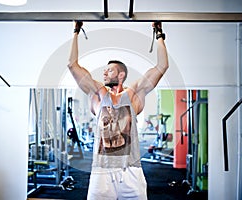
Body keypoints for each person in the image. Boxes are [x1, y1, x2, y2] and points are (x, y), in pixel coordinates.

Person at [68, 21, 169, 200]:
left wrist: (159, 34)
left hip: (131, 171)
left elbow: (162, 66)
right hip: (101, 172)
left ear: (121, 75)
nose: (104, 73)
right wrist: (76, 32)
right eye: (105, 71)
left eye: (109, 71)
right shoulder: (98, 95)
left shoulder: (134, 95)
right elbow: (72, 65)